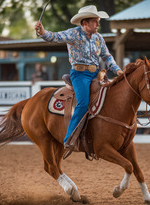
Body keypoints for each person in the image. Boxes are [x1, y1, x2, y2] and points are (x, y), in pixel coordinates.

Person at [35, 5, 124, 148]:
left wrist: (118, 71)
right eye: (95, 21)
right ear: (85, 23)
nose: (98, 24)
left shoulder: (98, 38)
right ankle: (69, 138)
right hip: (80, 74)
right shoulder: (73, 34)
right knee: (83, 103)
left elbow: (107, 56)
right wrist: (42, 32)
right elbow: (55, 37)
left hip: (96, 74)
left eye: (98, 20)